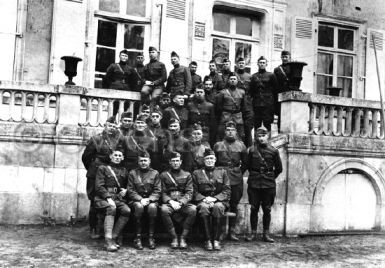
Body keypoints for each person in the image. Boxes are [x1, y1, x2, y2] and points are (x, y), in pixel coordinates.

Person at [81, 116, 124, 239]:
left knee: (111, 199)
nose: (112, 128)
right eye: (110, 126)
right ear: (105, 125)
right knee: (94, 200)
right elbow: (86, 157)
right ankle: (93, 228)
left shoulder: (118, 140)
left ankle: (107, 229)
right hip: (95, 173)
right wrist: (93, 168)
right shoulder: (96, 139)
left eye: (115, 127)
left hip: (111, 173)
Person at [245, 126, 282, 243]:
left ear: (268, 136)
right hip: (254, 183)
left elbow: (279, 169)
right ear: (256, 137)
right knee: (254, 208)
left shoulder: (274, 151)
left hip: (268, 184)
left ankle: (266, 234)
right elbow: (247, 166)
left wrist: (270, 177)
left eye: (263, 136)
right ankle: (253, 233)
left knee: (267, 209)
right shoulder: (251, 150)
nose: (261, 139)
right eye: (259, 136)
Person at [213, 121, 247, 241]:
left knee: (234, 204)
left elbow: (245, 163)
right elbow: (214, 162)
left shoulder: (241, 146)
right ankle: (222, 230)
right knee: (221, 203)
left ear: (236, 132)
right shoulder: (218, 145)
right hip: (221, 177)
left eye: (232, 130)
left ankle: (232, 231)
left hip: (236, 178)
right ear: (225, 131)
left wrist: (237, 172)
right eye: (228, 130)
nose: (230, 132)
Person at [192, 148, 230, 251]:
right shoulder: (197, 173)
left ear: (215, 159)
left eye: (211, 158)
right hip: (203, 201)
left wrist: (215, 199)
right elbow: (194, 191)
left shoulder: (222, 172)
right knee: (203, 208)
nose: (209, 160)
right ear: (204, 160)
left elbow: (227, 190)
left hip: (219, 201)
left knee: (218, 207)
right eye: (207, 158)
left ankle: (216, 240)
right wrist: (204, 199)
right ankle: (207, 240)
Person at [94, 149, 130, 252]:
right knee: (111, 207)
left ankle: (114, 237)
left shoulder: (124, 171)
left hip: (117, 198)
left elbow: (128, 185)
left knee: (126, 210)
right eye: (115, 155)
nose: (117, 157)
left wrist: (125, 190)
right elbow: (99, 186)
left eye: (120, 156)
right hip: (102, 198)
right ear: (111, 157)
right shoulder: (103, 168)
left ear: (122, 158)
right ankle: (108, 241)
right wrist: (108, 198)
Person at [160, 152, 196, 249]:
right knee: (164, 210)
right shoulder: (164, 175)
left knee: (193, 210)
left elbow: (189, 192)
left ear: (180, 162)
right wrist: (170, 202)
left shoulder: (187, 175)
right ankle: (174, 237)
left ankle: (183, 237)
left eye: (177, 161)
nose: (175, 163)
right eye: (173, 161)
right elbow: (162, 192)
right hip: (170, 203)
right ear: (170, 162)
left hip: (183, 203)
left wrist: (181, 202)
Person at [127, 150, 161, 250]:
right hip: (137, 200)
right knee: (138, 206)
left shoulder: (155, 173)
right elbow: (130, 190)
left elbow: (157, 190)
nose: (143, 163)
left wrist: (150, 199)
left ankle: (151, 237)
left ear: (149, 161)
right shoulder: (133, 173)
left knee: (152, 207)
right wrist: (140, 199)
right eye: (141, 160)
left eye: (145, 160)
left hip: (150, 200)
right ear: (138, 162)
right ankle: (137, 238)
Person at [249, 56, 279, 132]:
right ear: (257, 64)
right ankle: (256, 143)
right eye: (260, 63)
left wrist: (275, 105)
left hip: (268, 104)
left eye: (263, 63)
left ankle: (267, 142)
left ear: (266, 64)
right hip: (256, 104)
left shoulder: (271, 75)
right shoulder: (254, 76)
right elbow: (251, 91)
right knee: (256, 124)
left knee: (267, 124)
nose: (262, 64)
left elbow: (276, 91)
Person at [215, 72, 246, 141]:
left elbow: (244, 106)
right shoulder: (223, 92)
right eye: (231, 79)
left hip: (237, 116)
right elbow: (219, 106)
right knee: (223, 133)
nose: (232, 80)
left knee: (239, 134)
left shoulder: (242, 92)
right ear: (228, 80)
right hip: (226, 115)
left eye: (234, 79)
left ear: (237, 81)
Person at [274, 50, 292, 131]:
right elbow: (275, 83)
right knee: (280, 114)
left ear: (290, 58)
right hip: (280, 93)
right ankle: (280, 130)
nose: (284, 59)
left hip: (289, 93)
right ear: (281, 57)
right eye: (283, 57)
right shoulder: (277, 69)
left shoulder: (293, 68)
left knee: (290, 113)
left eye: (286, 57)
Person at [147, 107, 169, 171]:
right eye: (153, 116)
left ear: (161, 117)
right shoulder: (146, 130)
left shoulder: (165, 131)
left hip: (160, 158)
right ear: (150, 117)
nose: (155, 118)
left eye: (157, 116)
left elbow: (167, 146)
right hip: (148, 156)